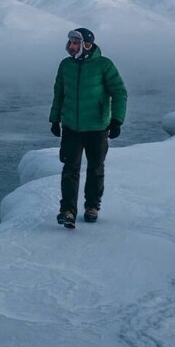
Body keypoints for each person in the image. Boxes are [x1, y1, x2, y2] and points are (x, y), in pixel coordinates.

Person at [49, 28, 128, 229]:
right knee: (70, 169)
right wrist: (55, 119)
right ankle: (67, 211)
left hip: (97, 127)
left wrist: (117, 120)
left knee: (95, 168)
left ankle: (92, 206)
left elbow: (119, 92)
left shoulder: (104, 65)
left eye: (76, 43)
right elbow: (59, 93)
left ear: (87, 45)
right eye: (70, 43)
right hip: (71, 127)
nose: (72, 46)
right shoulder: (65, 65)